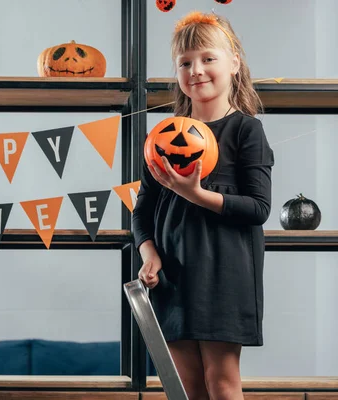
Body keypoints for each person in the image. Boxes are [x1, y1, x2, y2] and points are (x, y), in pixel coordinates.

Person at [132, 11, 274, 400]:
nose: (196, 70)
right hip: (172, 275)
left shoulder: (246, 130)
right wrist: (149, 253)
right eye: (185, 62)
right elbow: (141, 212)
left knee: (221, 382)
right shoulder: (163, 136)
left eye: (208, 58)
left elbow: (258, 208)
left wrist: (195, 194)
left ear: (234, 63)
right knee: (185, 387)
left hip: (225, 273)